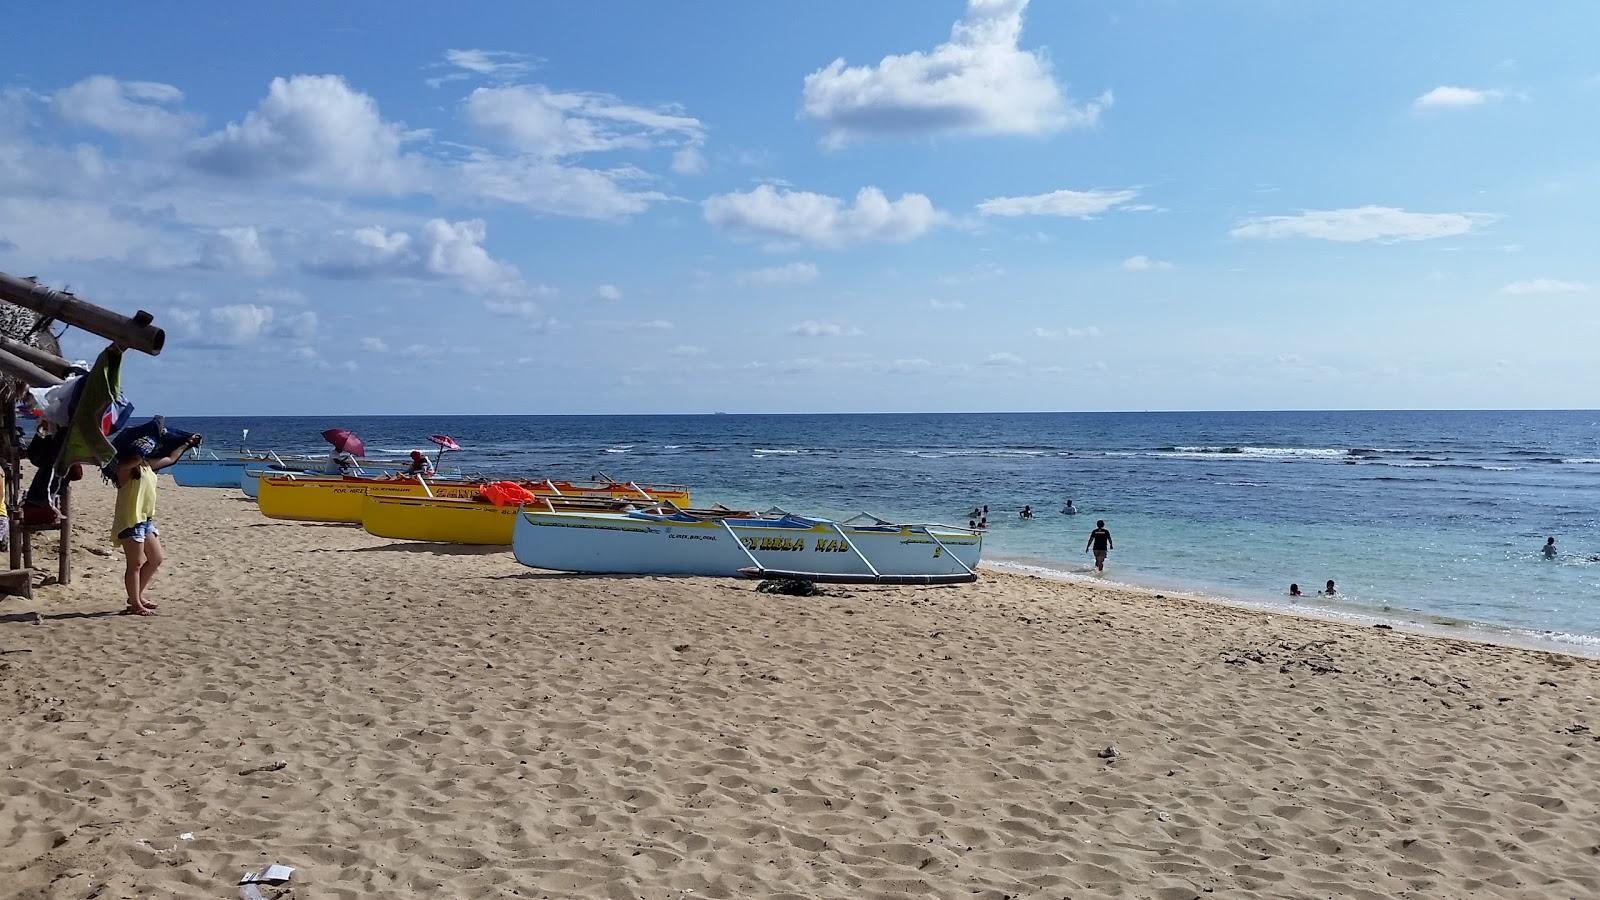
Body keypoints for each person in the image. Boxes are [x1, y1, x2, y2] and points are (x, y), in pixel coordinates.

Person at [111, 432, 202, 616]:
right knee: (135, 564)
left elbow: (171, 458)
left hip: (145, 520)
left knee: (155, 559)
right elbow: (134, 457)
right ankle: (136, 604)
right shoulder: (124, 468)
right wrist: (143, 443)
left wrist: (186, 443)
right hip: (130, 520)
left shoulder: (147, 465)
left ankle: (135, 597)